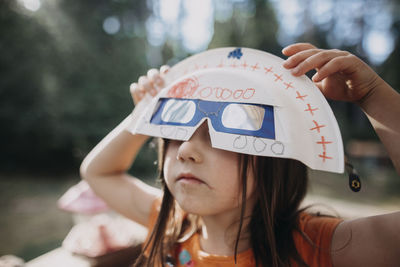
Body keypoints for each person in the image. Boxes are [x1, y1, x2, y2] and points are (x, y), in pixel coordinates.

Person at [80, 43, 400, 267]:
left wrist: (372, 94)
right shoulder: (176, 228)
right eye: (177, 132)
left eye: (226, 135)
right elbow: (97, 173)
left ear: (276, 158)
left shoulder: (317, 246)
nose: (187, 150)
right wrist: (146, 111)